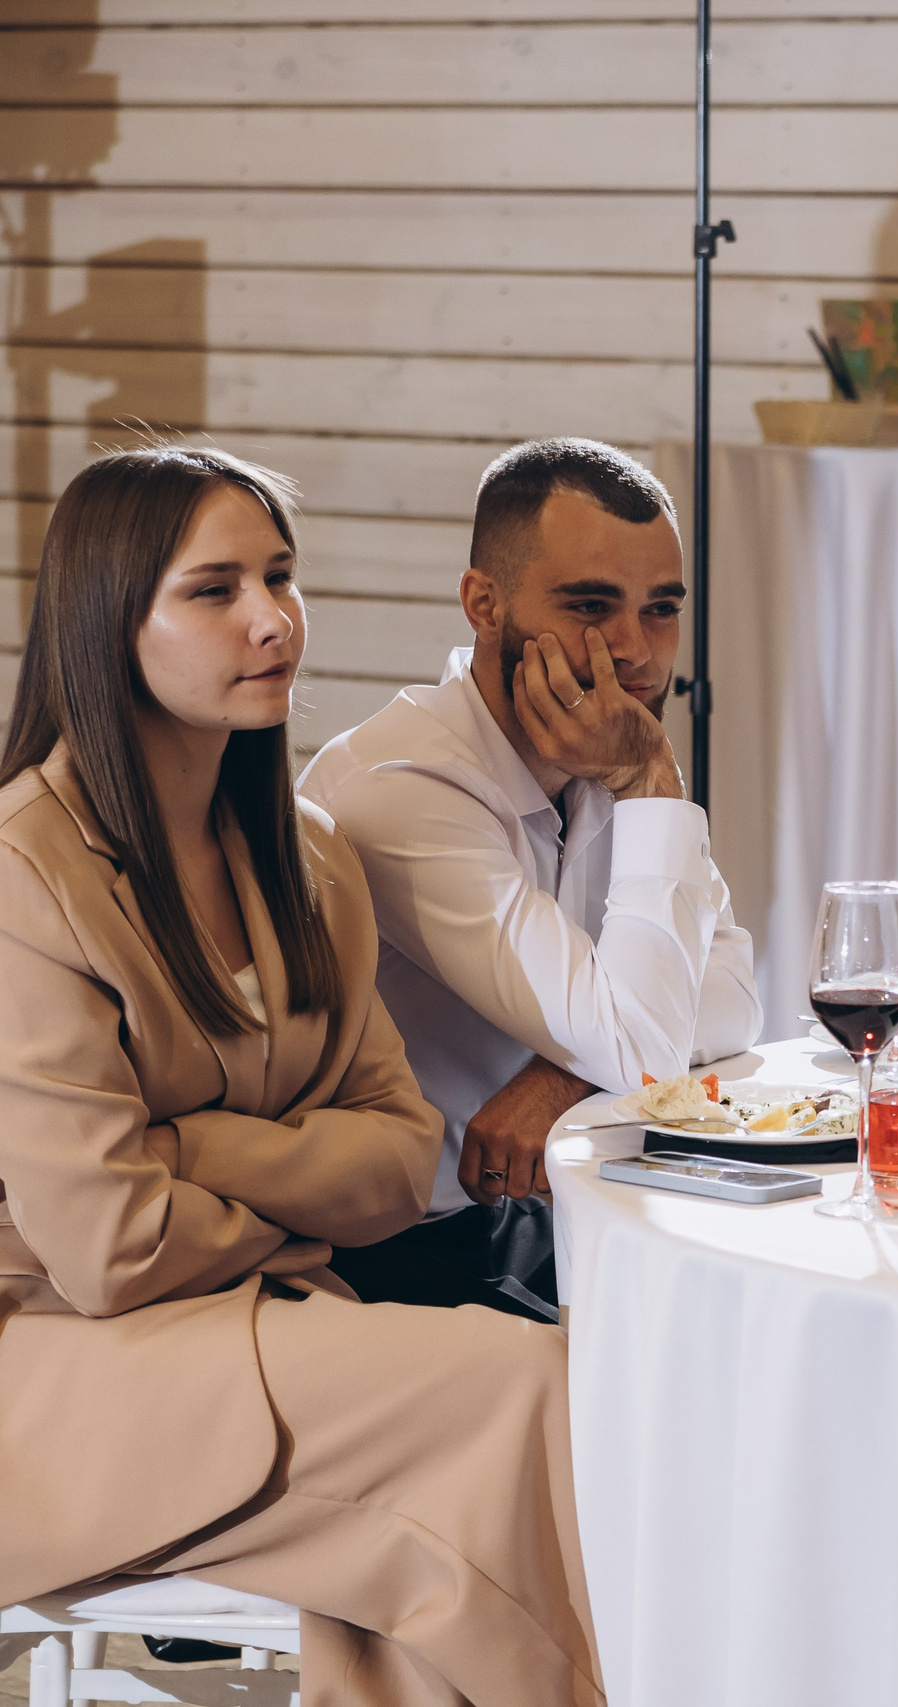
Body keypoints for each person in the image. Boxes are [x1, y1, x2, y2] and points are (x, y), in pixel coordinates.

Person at [0, 447, 601, 1706]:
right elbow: (106, 1251)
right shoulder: (23, 874)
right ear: (114, 622)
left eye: (279, 576)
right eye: (214, 590)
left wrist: (194, 1149)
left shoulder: (310, 860)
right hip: (61, 1375)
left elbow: (395, 1159)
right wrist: (290, 1181)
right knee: (519, 1387)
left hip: (269, 1324)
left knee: (518, 1446)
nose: (272, 620)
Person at [300, 438, 759, 1318]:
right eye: (591, 604)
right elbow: (644, 1045)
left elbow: (736, 992)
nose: (635, 650)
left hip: (539, 1216)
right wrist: (652, 782)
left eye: (661, 609)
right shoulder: (400, 789)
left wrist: (568, 1078)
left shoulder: (604, 758)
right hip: (387, 1256)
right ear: (484, 603)